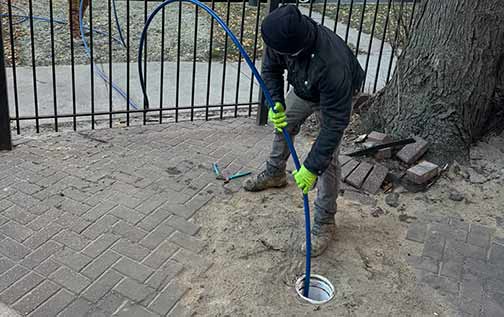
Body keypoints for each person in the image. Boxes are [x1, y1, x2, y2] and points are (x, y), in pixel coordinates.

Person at [243, 5, 365, 257]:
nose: (270, 51)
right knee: (284, 122)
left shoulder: (334, 66)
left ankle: (324, 222)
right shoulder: (281, 35)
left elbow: (334, 126)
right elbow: (271, 69)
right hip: (304, 86)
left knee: (327, 159)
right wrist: (275, 101)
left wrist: (311, 167)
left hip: (333, 96)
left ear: (293, 47)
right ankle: (275, 174)